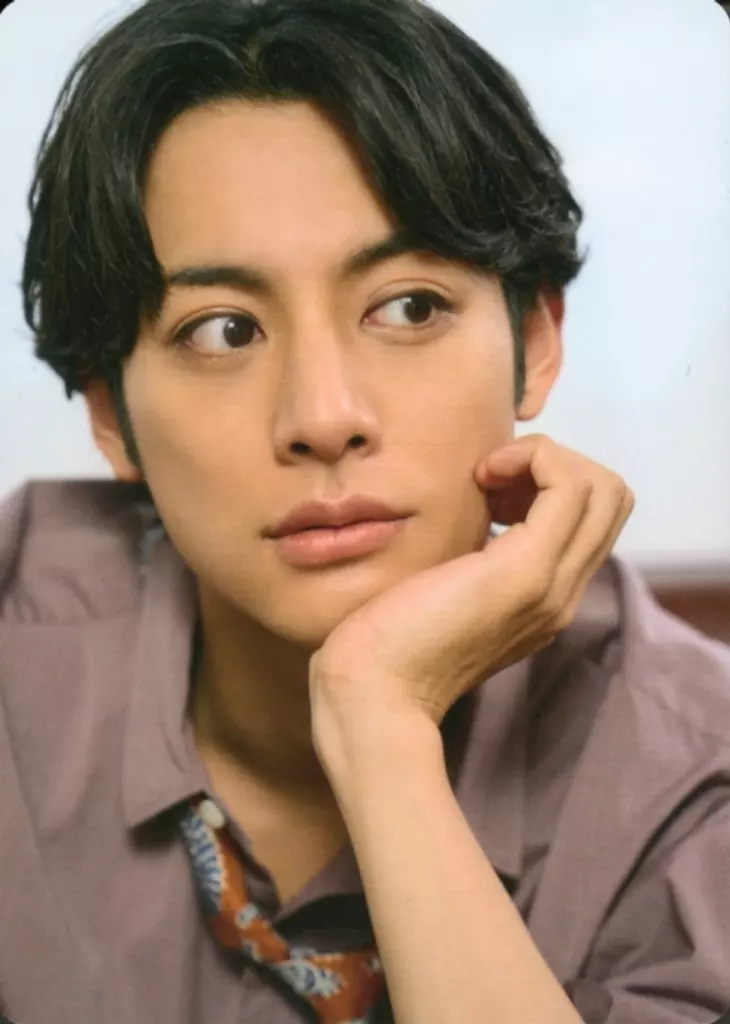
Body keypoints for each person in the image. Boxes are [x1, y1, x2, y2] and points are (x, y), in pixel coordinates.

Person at [2, 0, 730, 1021]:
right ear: (109, 412)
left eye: (408, 308)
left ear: (535, 340)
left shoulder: (698, 778)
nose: (323, 416)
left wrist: (378, 725)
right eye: (222, 330)